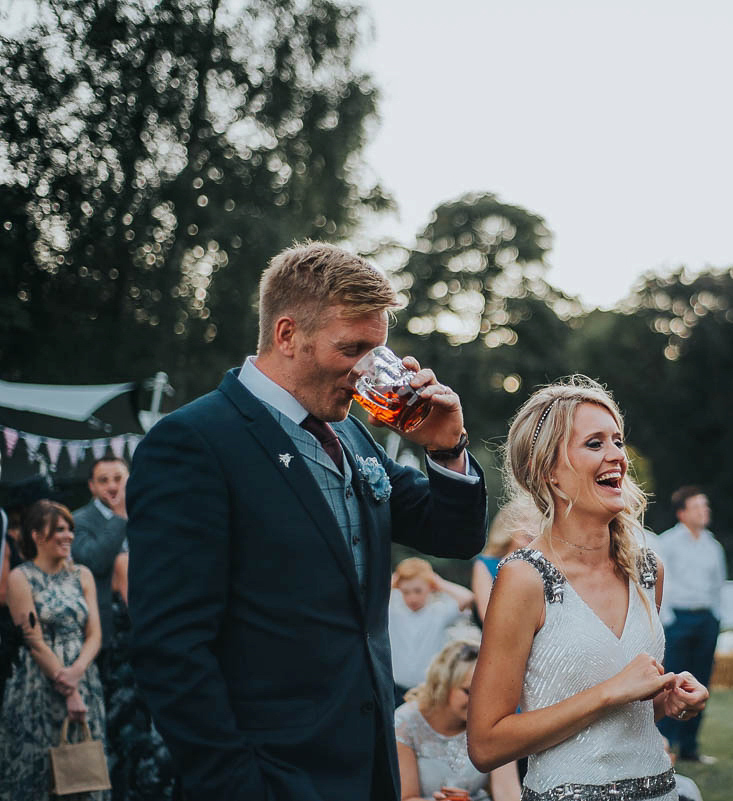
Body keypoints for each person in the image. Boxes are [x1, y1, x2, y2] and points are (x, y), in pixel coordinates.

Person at [126, 242, 488, 801]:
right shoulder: (194, 442)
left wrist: (447, 450)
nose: (368, 369)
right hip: (269, 771)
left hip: (369, 763)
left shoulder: (347, 431)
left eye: (377, 350)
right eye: (352, 349)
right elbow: (171, 648)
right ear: (287, 334)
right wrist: (235, 785)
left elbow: (454, 535)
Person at [467, 376, 708, 801]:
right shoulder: (525, 578)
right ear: (548, 471)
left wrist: (666, 702)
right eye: (595, 444)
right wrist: (607, 692)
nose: (617, 455)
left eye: (617, 441)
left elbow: (622, 720)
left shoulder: (647, 570)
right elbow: (486, 744)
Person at [0, 500, 109, 801]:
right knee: (42, 776)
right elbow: (33, 640)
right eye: (59, 529)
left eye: (70, 529)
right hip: (39, 685)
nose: (68, 536)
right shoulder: (20, 577)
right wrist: (69, 689)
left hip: (84, 677)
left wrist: (77, 674)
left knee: (86, 770)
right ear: (37, 536)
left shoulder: (82, 574)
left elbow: (95, 633)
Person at [395, 637, 519, 801]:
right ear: (444, 685)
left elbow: (508, 794)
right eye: (468, 692)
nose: (478, 702)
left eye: (485, 692)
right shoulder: (406, 722)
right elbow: (406, 797)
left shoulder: (495, 721)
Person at [654, 486, 726, 763]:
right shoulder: (667, 543)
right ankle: (666, 744)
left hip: (706, 618)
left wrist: (716, 617)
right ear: (682, 512)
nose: (703, 511)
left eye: (705, 506)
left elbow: (718, 584)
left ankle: (690, 746)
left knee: (701, 680)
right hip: (677, 619)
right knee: (671, 684)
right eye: (697, 506)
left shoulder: (713, 545)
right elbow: (663, 583)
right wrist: (668, 620)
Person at [389, 558, 474, 705]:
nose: (412, 597)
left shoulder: (439, 612)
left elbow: (467, 597)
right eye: (406, 592)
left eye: (418, 591)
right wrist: (394, 580)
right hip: (395, 687)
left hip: (428, 688)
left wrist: (437, 582)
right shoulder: (392, 611)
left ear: (430, 587)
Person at [71, 456, 129, 655]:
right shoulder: (78, 521)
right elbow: (94, 561)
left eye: (118, 478)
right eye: (104, 480)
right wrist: (120, 516)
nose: (112, 486)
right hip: (104, 626)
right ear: (91, 486)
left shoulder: (144, 514)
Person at [471, 498, 539, 623]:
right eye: (524, 520)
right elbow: (487, 616)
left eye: (537, 523)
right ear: (508, 524)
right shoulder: (485, 564)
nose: (531, 529)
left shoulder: (545, 565)